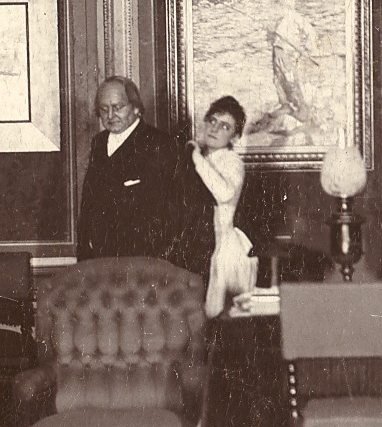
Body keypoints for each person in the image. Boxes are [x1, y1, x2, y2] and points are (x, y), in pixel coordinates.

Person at [75, 75, 213, 275]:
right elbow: (88, 207)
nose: (110, 115)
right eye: (104, 109)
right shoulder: (99, 143)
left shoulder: (162, 146)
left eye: (118, 107)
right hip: (102, 267)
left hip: (148, 270)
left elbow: (186, 212)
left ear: (136, 108)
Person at [191, 95, 255, 317]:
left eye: (225, 126)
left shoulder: (231, 161)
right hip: (201, 243)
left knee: (219, 314)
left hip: (224, 248)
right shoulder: (203, 156)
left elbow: (225, 193)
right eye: (212, 121)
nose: (215, 128)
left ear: (234, 137)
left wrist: (196, 158)